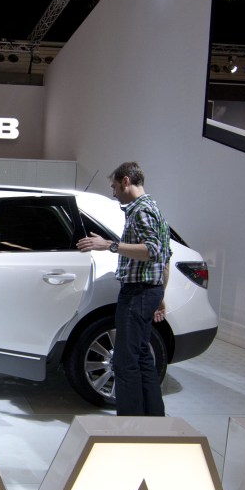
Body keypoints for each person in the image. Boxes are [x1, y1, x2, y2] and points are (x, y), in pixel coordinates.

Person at [77, 162, 169, 416]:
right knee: (141, 357)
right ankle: (152, 418)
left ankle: (128, 424)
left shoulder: (142, 211)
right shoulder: (153, 208)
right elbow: (166, 257)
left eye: (115, 186)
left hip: (138, 292)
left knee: (125, 361)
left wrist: (110, 245)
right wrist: (161, 294)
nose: (114, 192)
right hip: (148, 291)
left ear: (126, 181)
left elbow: (153, 250)